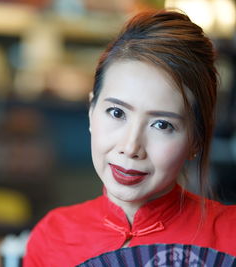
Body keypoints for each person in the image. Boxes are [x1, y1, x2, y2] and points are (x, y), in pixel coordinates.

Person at [23, 9, 236, 266]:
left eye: (162, 124)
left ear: (197, 140)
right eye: (116, 112)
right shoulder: (52, 237)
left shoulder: (229, 236)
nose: (131, 147)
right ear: (92, 111)